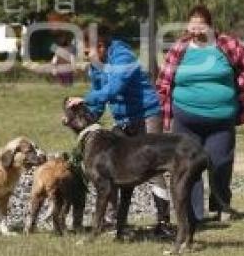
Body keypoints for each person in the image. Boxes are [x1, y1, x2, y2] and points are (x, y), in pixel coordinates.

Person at [66, 25, 172, 236]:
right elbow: (98, 100)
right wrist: (81, 118)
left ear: (101, 46)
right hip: (123, 120)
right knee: (109, 169)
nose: (85, 56)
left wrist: (85, 99)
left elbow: (114, 88)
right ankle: (111, 221)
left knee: (154, 169)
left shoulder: (123, 57)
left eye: (87, 52)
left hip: (147, 115)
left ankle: (163, 223)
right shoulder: (96, 66)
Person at [157, 5, 244, 222]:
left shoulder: (225, 44)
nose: (195, 27)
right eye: (191, 22)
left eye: (200, 22)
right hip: (186, 118)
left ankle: (221, 205)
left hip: (221, 118)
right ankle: (193, 212)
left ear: (210, 25)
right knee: (188, 165)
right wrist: (165, 116)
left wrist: (238, 87)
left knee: (220, 162)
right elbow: (164, 82)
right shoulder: (180, 48)